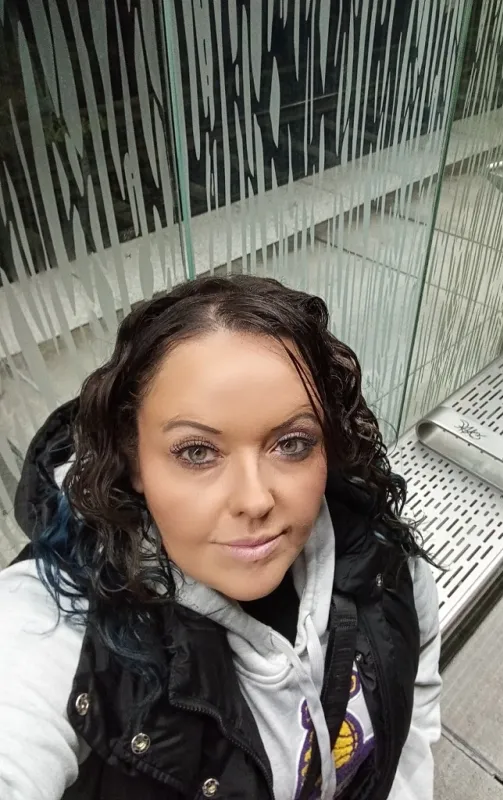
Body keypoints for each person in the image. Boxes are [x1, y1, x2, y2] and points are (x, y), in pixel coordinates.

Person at [0, 274, 441, 800]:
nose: (254, 500)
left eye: (292, 443)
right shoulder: (53, 628)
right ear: (133, 460)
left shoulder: (379, 549)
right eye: (197, 452)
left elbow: (416, 691)